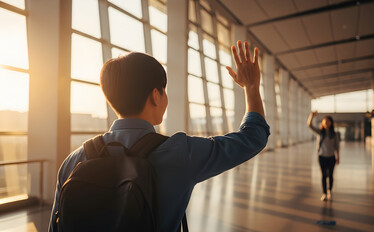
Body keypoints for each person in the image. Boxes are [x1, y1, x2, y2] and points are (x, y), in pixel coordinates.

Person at [48, 40, 270, 232]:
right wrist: (251, 87)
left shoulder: (73, 161)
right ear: (155, 95)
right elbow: (253, 137)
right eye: (164, 90)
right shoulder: (180, 153)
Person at [307, 111, 340, 201]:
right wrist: (311, 116)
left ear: (331, 123)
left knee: (331, 175)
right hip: (322, 157)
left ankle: (330, 190)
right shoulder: (320, 132)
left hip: (331, 157)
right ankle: (324, 193)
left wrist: (338, 157)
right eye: (324, 121)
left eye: (328, 121)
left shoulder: (335, 134)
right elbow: (309, 125)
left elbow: (337, 146)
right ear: (322, 123)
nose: (326, 123)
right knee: (324, 175)